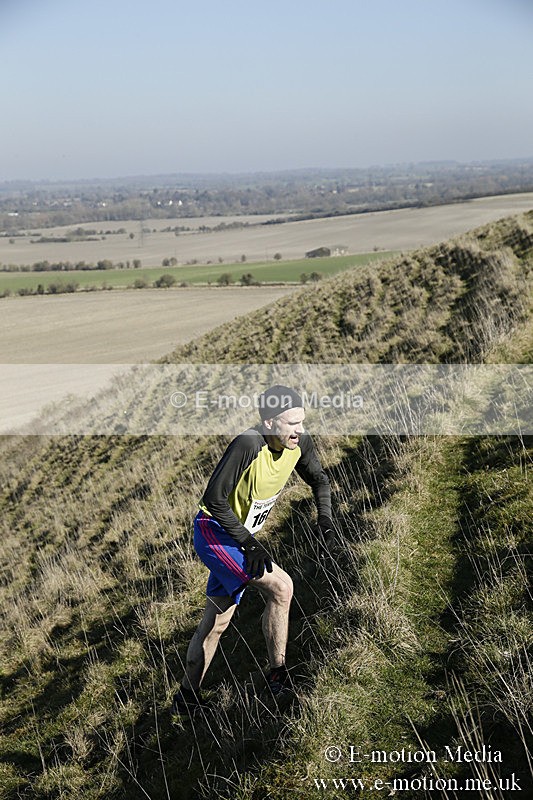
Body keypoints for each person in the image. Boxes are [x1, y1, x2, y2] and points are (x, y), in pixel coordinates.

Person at [172, 384, 335, 717]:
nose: (300, 430)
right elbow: (215, 500)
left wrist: (326, 518)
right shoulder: (248, 444)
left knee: (217, 622)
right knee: (282, 587)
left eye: (302, 421)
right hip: (214, 533)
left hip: (238, 537)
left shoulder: (298, 443)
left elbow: (319, 479)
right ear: (270, 422)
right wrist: (249, 543)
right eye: (292, 423)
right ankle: (278, 674)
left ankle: (186, 698)